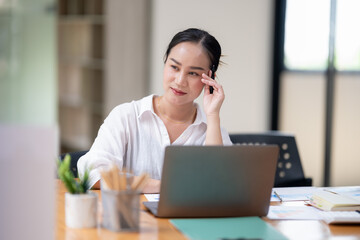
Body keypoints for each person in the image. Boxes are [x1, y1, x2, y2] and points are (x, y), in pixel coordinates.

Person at [77, 28, 232, 193]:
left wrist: (213, 114)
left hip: (187, 219)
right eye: (174, 67)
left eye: (193, 73)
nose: (180, 81)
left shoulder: (212, 131)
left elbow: (219, 186)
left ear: (209, 78)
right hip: (134, 217)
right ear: (165, 63)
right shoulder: (126, 116)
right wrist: (163, 187)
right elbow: (92, 173)